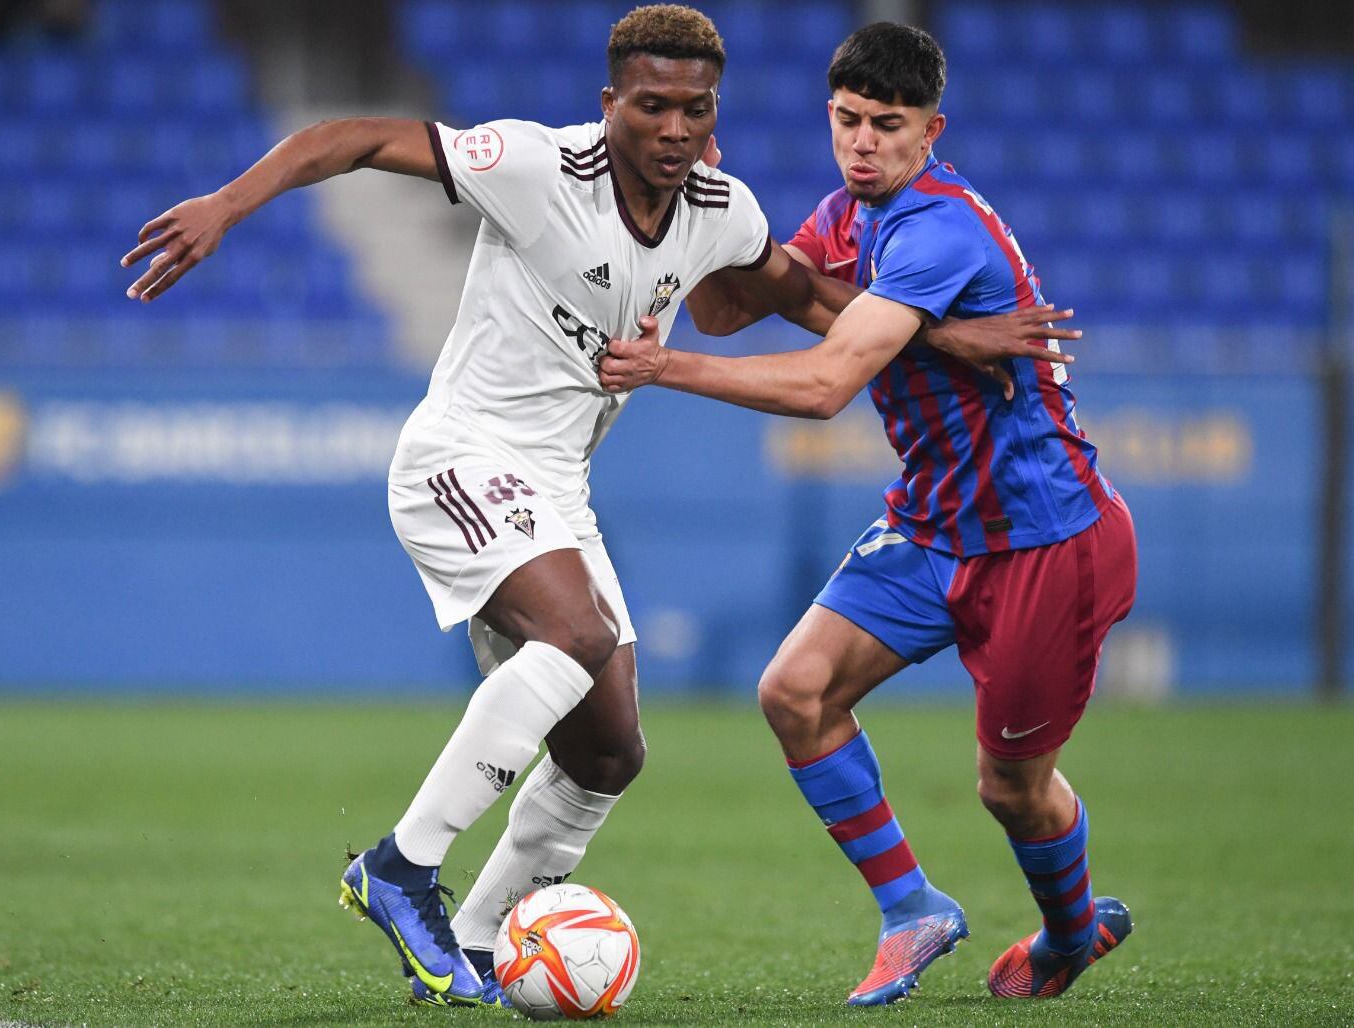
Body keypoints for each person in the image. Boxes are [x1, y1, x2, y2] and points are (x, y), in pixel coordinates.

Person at [121, 5, 1074, 1009]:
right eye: (653, 106)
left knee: (609, 748)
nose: (673, 130)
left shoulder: (718, 205)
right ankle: (401, 866)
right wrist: (225, 205)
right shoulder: (535, 167)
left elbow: (806, 299)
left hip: (557, 486)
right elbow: (346, 138)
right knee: (574, 636)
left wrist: (941, 338)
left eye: (694, 110)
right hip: (461, 454)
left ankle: (482, 942)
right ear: (609, 103)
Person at [600, 21, 1137, 1006]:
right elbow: (729, 305)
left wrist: (661, 366)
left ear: (930, 129)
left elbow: (823, 385)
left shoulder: (937, 228)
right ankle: (910, 908)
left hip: (1043, 540)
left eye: (886, 126)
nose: (861, 143)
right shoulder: (846, 214)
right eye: (846, 120)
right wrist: (706, 203)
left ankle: (1069, 931)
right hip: (933, 524)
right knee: (793, 690)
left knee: (1007, 786)